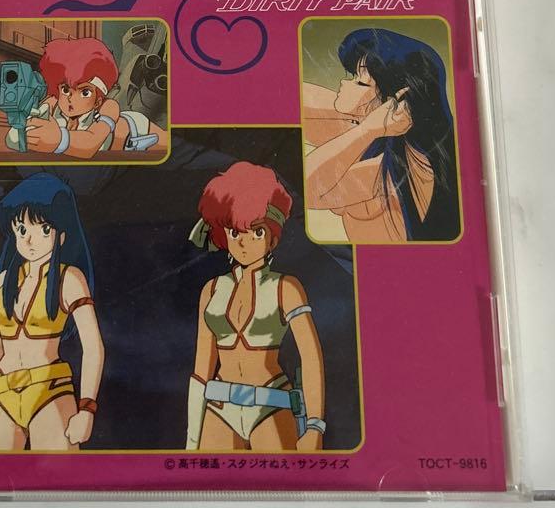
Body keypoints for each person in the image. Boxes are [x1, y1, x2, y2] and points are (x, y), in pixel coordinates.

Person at [0, 173, 104, 450]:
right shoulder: (4, 281)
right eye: (22, 229)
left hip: (49, 390)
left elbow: (93, 348)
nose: (30, 240)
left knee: (60, 477)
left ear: (62, 234)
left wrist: (87, 408)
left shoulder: (70, 279)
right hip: (0, 391)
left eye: (44, 229)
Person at [186, 161, 326, 452]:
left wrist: (314, 426)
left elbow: (311, 358)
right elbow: (201, 371)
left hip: (271, 403)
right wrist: (191, 440)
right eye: (235, 232)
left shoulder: (286, 288)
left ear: (272, 237)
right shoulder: (211, 290)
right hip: (218, 406)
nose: (244, 242)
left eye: (257, 232)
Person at [302, 27, 459, 243]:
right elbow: (293, 97)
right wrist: (368, 124)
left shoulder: (392, 168)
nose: (343, 83)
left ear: (396, 104)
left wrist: (367, 130)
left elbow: (306, 188)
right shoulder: (381, 133)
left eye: (360, 82)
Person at [12, 37, 168, 158]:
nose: (71, 98)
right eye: (66, 90)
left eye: (84, 92)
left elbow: (91, 144)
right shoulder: (53, 103)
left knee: (172, 148)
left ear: (98, 100)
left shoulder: (108, 107)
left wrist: (59, 139)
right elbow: (14, 138)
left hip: (139, 134)